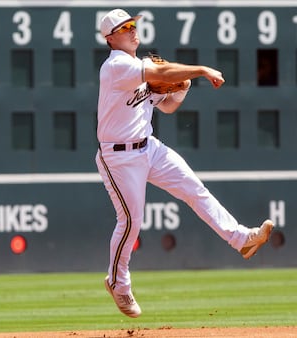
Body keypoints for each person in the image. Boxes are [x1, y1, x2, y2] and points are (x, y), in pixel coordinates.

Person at [96, 8, 274, 318]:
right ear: (111, 38)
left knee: (194, 189)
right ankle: (117, 282)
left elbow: (166, 107)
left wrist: (183, 90)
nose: (133, 30)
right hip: (119, 156)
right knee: (131, 220)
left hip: (147, 147)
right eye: (125, 27)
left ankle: (241, 240)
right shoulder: (117, 66)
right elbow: (161, 75)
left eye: (133, 24)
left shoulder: (139, 67)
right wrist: (201, 70)